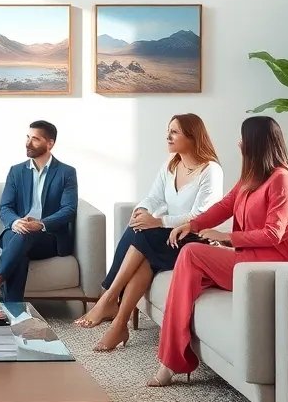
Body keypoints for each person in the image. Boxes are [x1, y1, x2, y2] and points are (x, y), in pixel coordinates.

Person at [148, 115, 288, 387]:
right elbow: (224, 207)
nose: (239, 143)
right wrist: (191, 224)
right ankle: (172, 358)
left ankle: (170, 362)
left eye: (244, 138)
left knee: (192, 254)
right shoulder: (252, 177)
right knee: (188, 268)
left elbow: (273, 234)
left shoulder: (281, 180)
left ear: (256, 142)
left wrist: (226, 237)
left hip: (266, 266)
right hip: (246, 260)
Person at [75, 114, 222, 352]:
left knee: (143, 234)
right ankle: (119, 324)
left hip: (193, 240)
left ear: (193, 136)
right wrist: (142, 210)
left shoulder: (210, 170)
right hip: (168, 237)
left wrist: (158, 220)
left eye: (175, 131)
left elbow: (200, 215)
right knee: (141, 244)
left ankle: (108, 296)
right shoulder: (172, 164)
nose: (168, 136)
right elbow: (154, 196)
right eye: (169, 130)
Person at [0, 121, 78, 303]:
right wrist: (16, 222)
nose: (28, 143)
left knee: (27, 234)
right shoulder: (16, 171)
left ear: (50, 143)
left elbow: (69, 209)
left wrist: (40, 224)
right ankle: (15, 314)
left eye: (35, 139)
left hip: (48, 237)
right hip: (15, 232)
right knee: (20, 254)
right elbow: (5, 207)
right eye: (27, 137)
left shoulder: (66, 172)